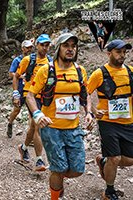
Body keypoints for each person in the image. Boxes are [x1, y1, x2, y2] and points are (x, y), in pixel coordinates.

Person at [26, 33, 93, 200]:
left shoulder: (80, 71)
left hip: (73, 128)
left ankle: (57, 177)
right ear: (59, 49)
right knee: (58, 168)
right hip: (52, 129)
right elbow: (30, 95)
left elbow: (86, 95)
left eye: (73, 46)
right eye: (66, 45)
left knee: (78, 169)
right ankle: (55, 195)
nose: (70, 49)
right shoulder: (46, 70)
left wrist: (89, 112)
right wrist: (37, 114)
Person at [87, 39, 133, 200]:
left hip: (128, 122)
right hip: (108, 121)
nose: (122, 55)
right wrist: (93, 110)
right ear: (109, 53)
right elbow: (84, 93)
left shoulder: (130, 71)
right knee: (115, 158)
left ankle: (103, 162)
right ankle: (109, 191)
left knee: (129, 159)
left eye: (124, 52)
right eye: (118, 52)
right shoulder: (99, 73)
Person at [13, 34, 53, 171]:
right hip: (30, 96)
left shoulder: (51, 62)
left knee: (32, 126)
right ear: (37, 45)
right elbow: (16, 76)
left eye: (47, 45)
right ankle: (39, 160)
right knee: (38, 126)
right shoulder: (28, 60)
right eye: (42, 44)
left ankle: (23, 148)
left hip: (45, 97)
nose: (45, 47)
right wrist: (15, 93)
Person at [7, 40, 33, 138]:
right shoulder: (17, 60)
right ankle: (10, 123)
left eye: (30, 47)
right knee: (16, 110)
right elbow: (10, 74)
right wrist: (21, 76)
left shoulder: (34, 60)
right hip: (20, 89)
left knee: (32, 113)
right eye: (27, 47)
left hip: (30, 90)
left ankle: (30, 137)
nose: (29, 49)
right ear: (22, 48)